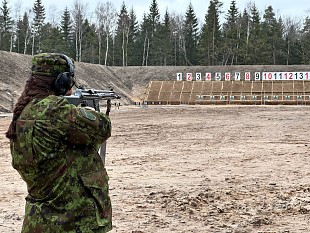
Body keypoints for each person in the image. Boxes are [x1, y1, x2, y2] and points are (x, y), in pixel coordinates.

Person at [5, 53, 112, 232]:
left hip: (37, 220)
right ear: (61, 81)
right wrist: (86, 109)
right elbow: (102, 127)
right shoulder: (56, 111)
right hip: (72, 221)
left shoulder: (23, 112)